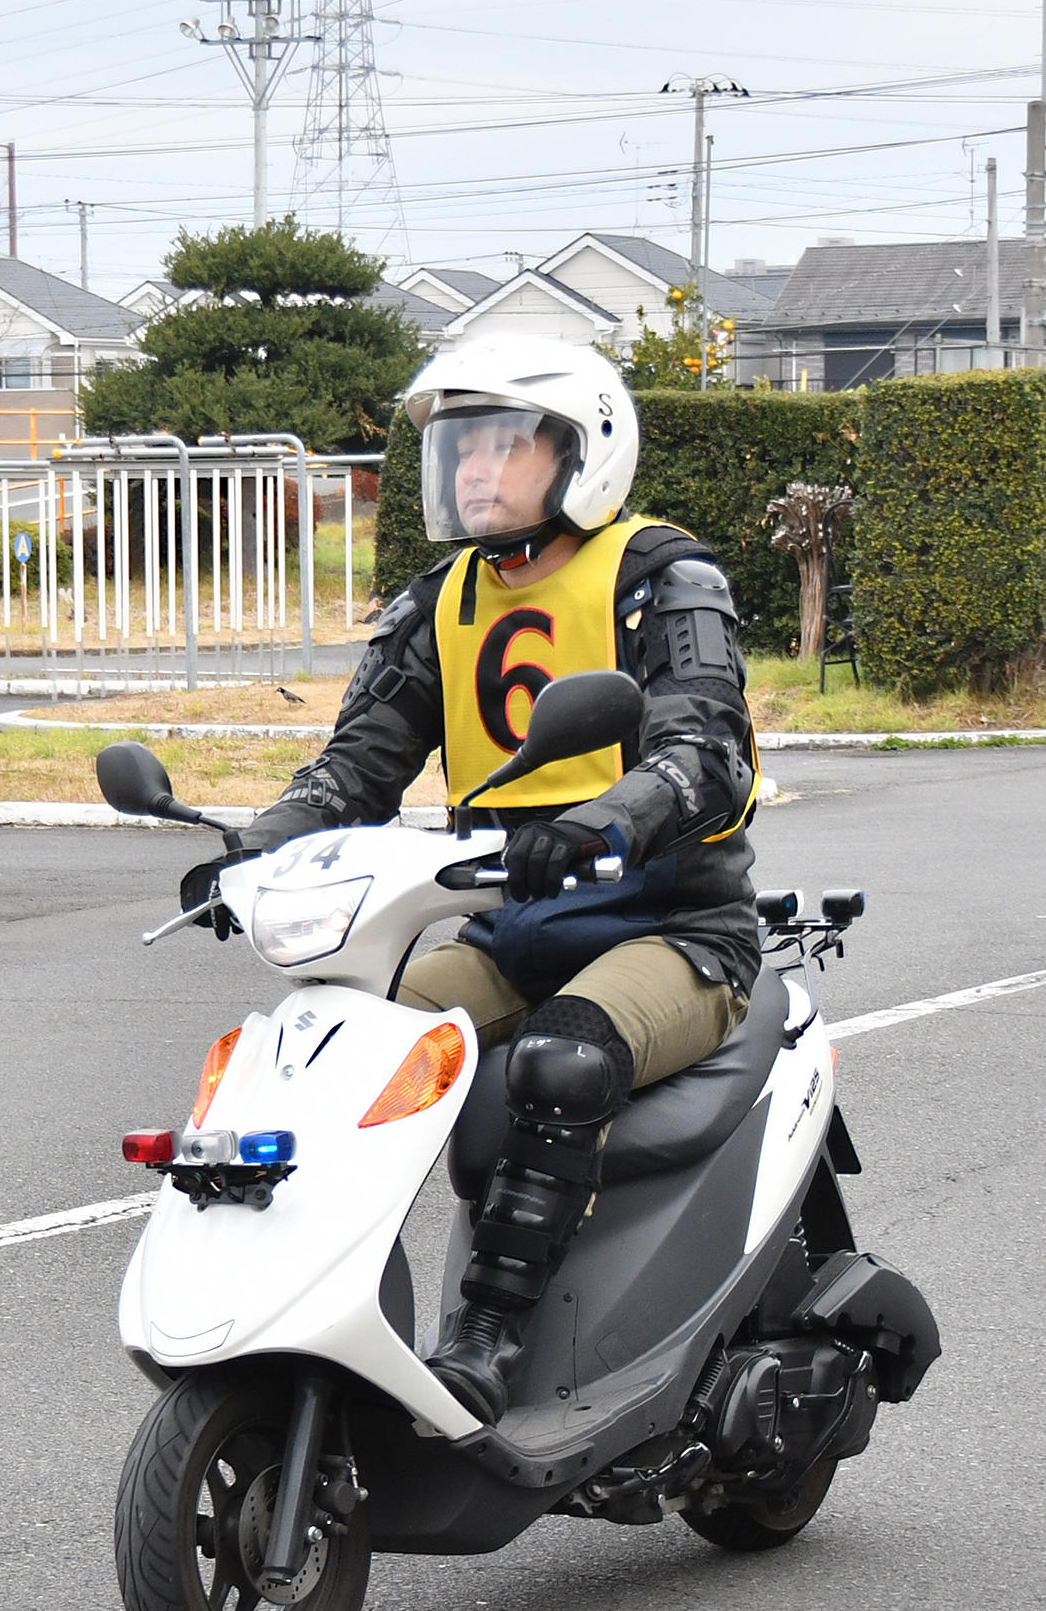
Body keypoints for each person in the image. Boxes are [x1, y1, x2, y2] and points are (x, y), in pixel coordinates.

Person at [206, 335, 760, 1422]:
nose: (472, 470)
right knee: (342, 1046)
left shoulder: (666, 577)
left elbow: (707, 751)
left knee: (559, 1059)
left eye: (503, 444)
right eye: (459, 448)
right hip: (511, 922)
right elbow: (360, 762)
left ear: (585, 452)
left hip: (672, 925)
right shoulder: (440, 600)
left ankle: (489, 1337)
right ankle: (309, 1312)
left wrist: (614, 814)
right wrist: (259, 839)